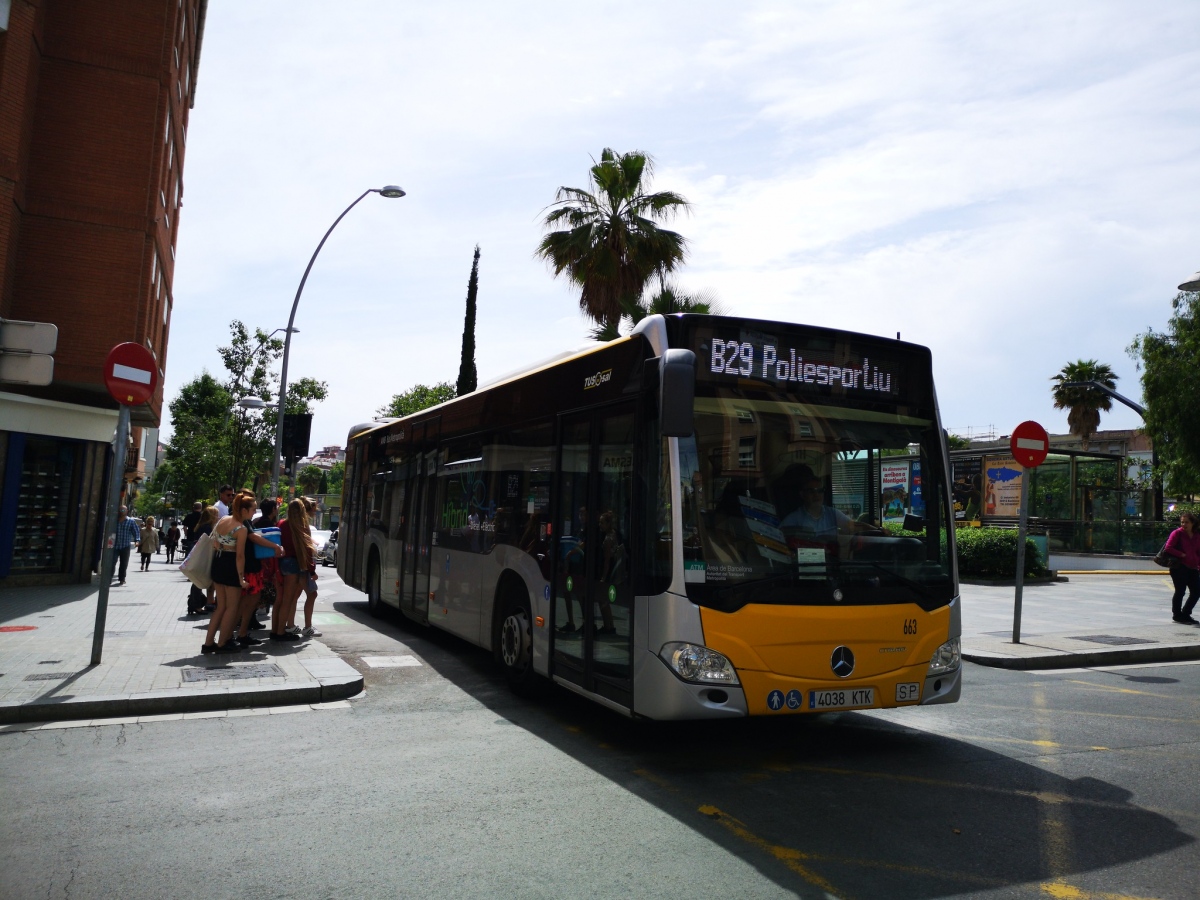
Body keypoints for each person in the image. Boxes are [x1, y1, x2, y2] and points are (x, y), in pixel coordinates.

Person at [202, 491, 280, 654]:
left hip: (218, 562)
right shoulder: (241, 528)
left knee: (220, 607)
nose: (254, 513)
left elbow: (214, 542)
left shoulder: (223, 520)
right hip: (230, 566)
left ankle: (208, 643)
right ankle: (223, 643)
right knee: (232, 607)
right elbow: (239, 556)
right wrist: (240, 578)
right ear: (244, 510)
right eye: (253, 510)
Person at [273, 498, 315, 642]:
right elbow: (308, 551)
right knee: (288, 600)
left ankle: (277, 629)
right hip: (294, 564)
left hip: (282, 563)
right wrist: (311, 570)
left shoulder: (281, 524)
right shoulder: (302, 526)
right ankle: (280, 632)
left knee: (282, 599)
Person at [285, 497, 322, 638]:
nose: (315, 511)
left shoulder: (290, 524)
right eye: (313, 508)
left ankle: (291, 624)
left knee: (294, 595)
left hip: (296, 564)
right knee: (312, 594)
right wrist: (312, 570)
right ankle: (306, 626)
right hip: (303, 566)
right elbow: (305, 549)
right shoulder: (303, 524)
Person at [1164, 512, 1200, 624]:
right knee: (1180, 591)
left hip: (1193, 567)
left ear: (1193, 523)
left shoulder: (1197, 535)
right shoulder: (1177, 533)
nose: (1184, 524)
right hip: (1179, 567)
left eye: (1187, 522)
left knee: (1196, 592)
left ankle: (1186, 613)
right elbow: (1168, 548)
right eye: (1182, 522)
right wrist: (1182, 555)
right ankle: (1177, 615)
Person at [111, 506, 141, 585]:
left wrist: (137, 540)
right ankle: (109, 578)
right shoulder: (114, 520)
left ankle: (122, 579)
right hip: (114, 545)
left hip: (125, 545)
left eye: (123, 509)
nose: (122, 511)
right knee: (112, 562)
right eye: (120, 509)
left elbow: (136, 531)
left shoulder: (131, 521)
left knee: (123, 563)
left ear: (127, 511)